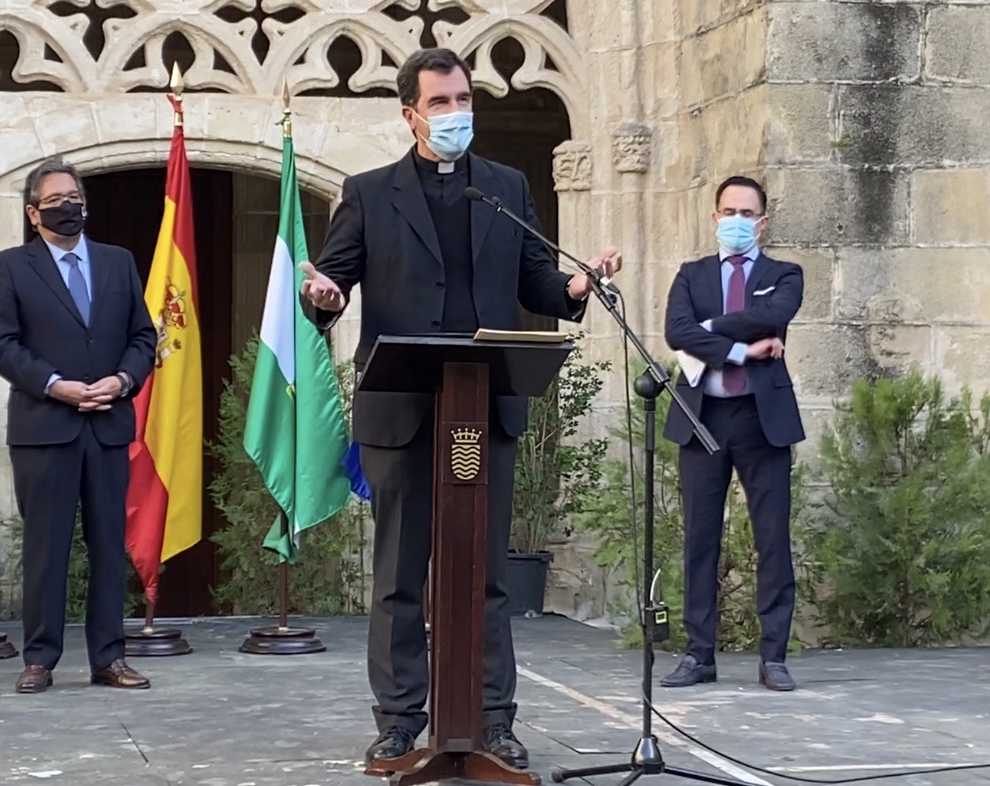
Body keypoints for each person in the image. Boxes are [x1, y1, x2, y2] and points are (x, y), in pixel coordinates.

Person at [299, 47, 622, 768]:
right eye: (440, 103)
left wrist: (573, 288)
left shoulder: (502, 188)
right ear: (410, 113)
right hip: (402, 409)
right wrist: (320, 297)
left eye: (463, 100)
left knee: (484, 575)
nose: (455, 114)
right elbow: (335, 279)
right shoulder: (368, 191)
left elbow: (536, 284)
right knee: (399, 577)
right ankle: (398, 719)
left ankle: (492, 720)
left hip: (480, 411)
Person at [0, 159, 157, 693]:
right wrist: (54, 383)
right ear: (34, 212)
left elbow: (143, 337)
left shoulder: (117, 261)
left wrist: (124, 380)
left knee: (109, 544)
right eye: (56, 199)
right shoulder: (11, 266)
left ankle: (109, 658)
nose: (69, 206)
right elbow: (3, 345)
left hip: (107, 424)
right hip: (45, 426)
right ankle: (40, 659)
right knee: (47, 546)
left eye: (74, 197)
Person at [660, 175, 805, 692]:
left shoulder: (785, 273)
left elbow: (774, 314)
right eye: (729, 212)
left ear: (762, 221)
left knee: (772, 540)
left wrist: (710, 328)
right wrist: (743, 348)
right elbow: (675, 330)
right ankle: (698, 655)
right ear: (714, 216)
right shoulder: (691, 273)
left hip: (762, 420)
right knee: (700, 540)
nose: (737, 222)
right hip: (704, 419)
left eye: (748, 214)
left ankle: (774, 657)